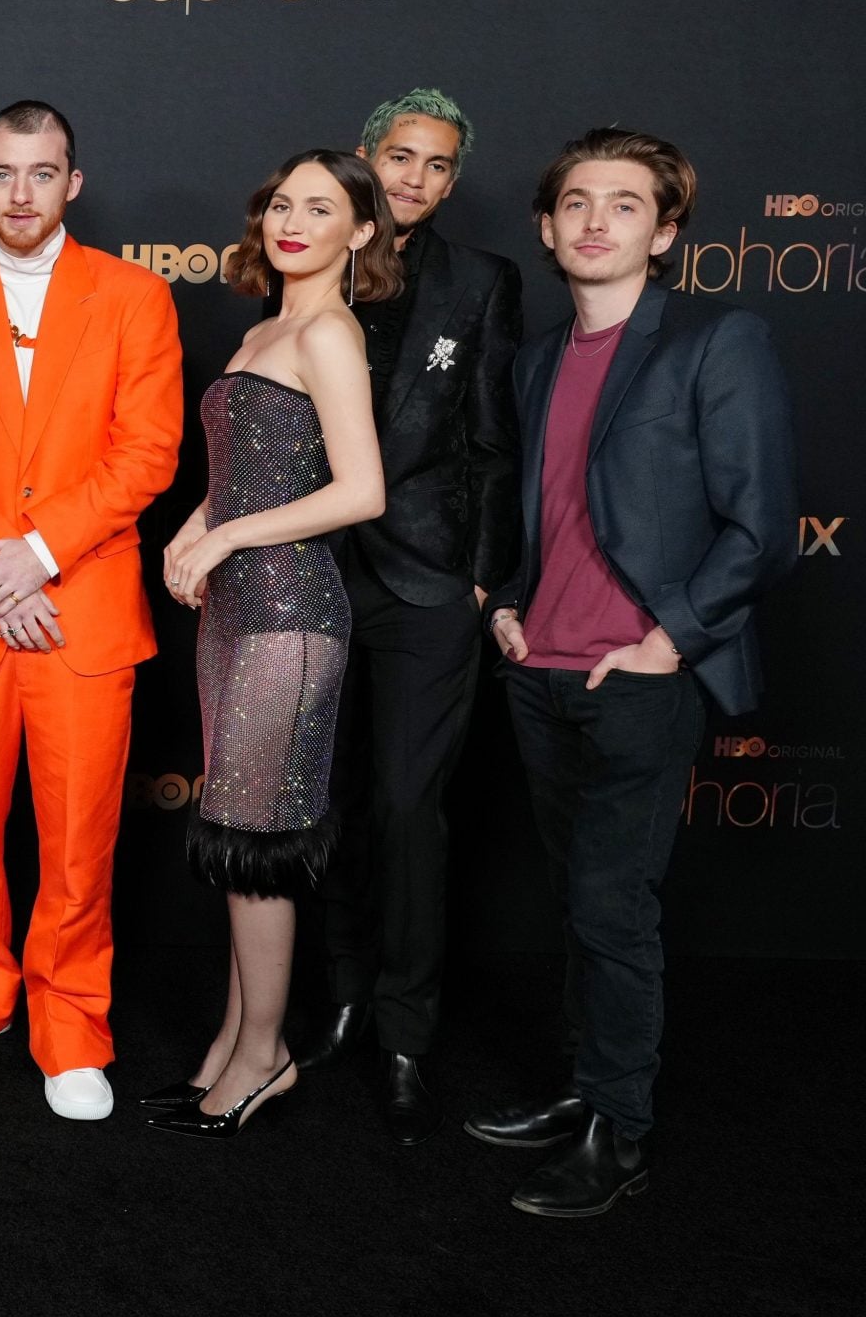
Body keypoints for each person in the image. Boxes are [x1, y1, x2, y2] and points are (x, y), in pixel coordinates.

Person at [472, 128, 796, 1216]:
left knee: (612, 906)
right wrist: (508, 601)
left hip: (642, 681)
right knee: (576, 899)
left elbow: (763, 528)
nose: (595, 220)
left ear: (663, 233)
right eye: (575, 201)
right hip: (539, 675)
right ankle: (583, 1087)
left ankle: (620, 1132)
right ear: (546, 224)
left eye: (624, 204)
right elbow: (544, 510)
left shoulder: (715, 341)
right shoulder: (534, 361)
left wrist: (669, 641)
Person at [0, 101, 182, 1123]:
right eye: (2, 172)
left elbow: (147, 451)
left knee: (76, 841)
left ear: (73, 182)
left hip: (81, 607)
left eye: (41, 172)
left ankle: (70, 1025)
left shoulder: (135, 295)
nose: (20, 193)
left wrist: (40, 554)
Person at [145, 150, 392, 1137]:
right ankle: (232, 1041)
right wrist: (193, 528)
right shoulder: (267, 328)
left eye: (320, 208)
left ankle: (264, 1057)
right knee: (238, 837)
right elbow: (253, 470)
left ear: (361, 232)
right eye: (283, 203)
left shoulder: (328, 331)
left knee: (259, 845)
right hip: (236, 612)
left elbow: (359, 491)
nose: (292, 221)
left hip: (290, 612)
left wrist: (225, 537)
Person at [301, 88, 525, 1144]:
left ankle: (403, 1031)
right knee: (330, 800)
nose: (415, 179)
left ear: (452, 179)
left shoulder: (481, 282)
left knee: (405, 806)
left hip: (427, 584)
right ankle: (343, 994)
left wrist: (482, 581)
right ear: (366, 154)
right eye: (400, 156)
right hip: (311, 575)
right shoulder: (312, 255)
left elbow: (493, 445)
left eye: (437, 165)